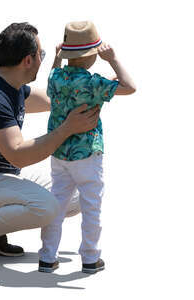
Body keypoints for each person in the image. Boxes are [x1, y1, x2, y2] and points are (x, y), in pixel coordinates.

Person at [0, 22, 101, 267]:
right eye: (41, 55)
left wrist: (81, 87)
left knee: (73, 198)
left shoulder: (10, 86)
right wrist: (68, 128)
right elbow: (19, 156)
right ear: (28, 60)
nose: (43, 59)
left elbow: (50, 100)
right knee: (48, 207)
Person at [38, 21, 136, 274]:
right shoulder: (94, 83)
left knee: (56, 204)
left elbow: (52, 82)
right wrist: (113, 60)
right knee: (91, 205)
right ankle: (90, 257)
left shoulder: (56, 76)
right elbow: (130, 87)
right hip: (86, 154)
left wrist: (58, 58)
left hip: (59, 152)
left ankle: (47, 257)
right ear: (93, 56)